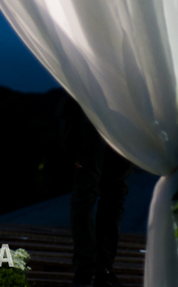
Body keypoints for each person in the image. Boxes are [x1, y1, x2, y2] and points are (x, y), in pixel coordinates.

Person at [57, 94, 136, 287]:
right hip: (92, 105)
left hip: (126, 111)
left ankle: (102, 269)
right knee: (87, 191)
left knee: (115, 194)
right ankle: (87, 270)